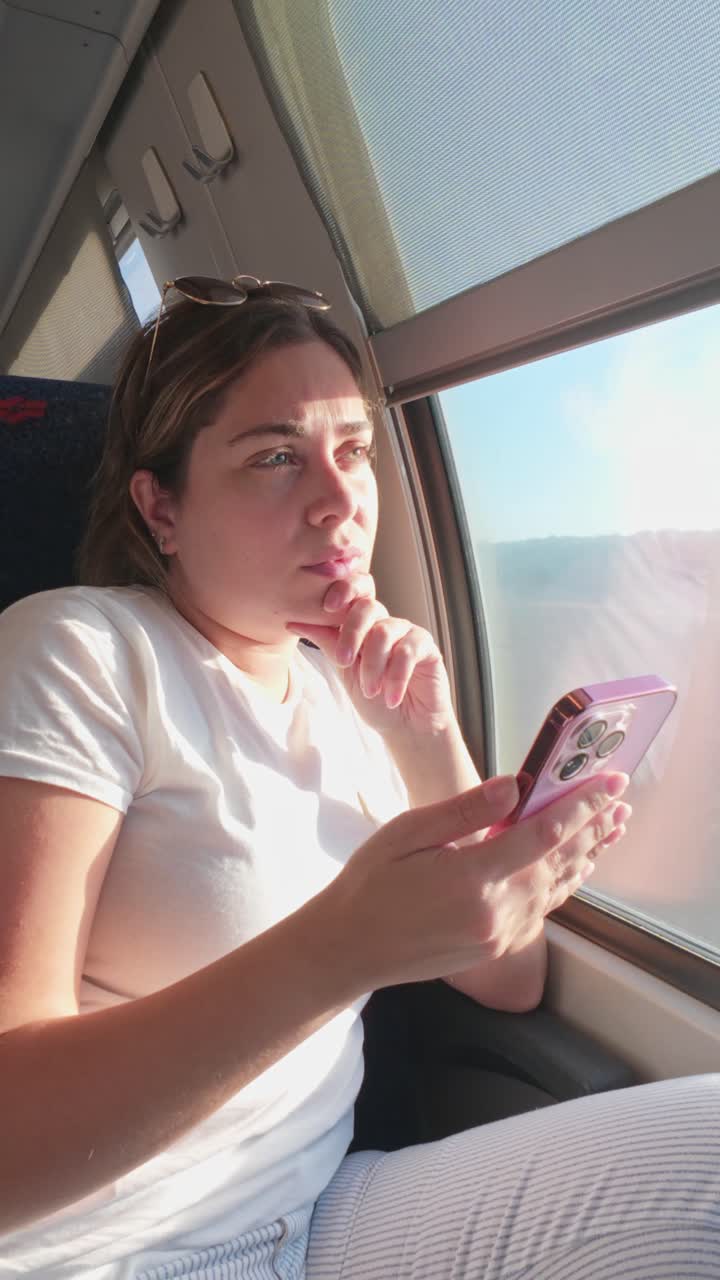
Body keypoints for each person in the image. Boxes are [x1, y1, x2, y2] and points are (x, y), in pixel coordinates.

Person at [0, 277, 717, 1280]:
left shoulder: (347, 693)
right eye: (275, 457)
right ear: (161, 507)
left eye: (354, 451)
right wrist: (340, 949)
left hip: (316, 1218)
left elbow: (507, 980)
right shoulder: (84, 649)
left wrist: (422, 735)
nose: (339, 502)